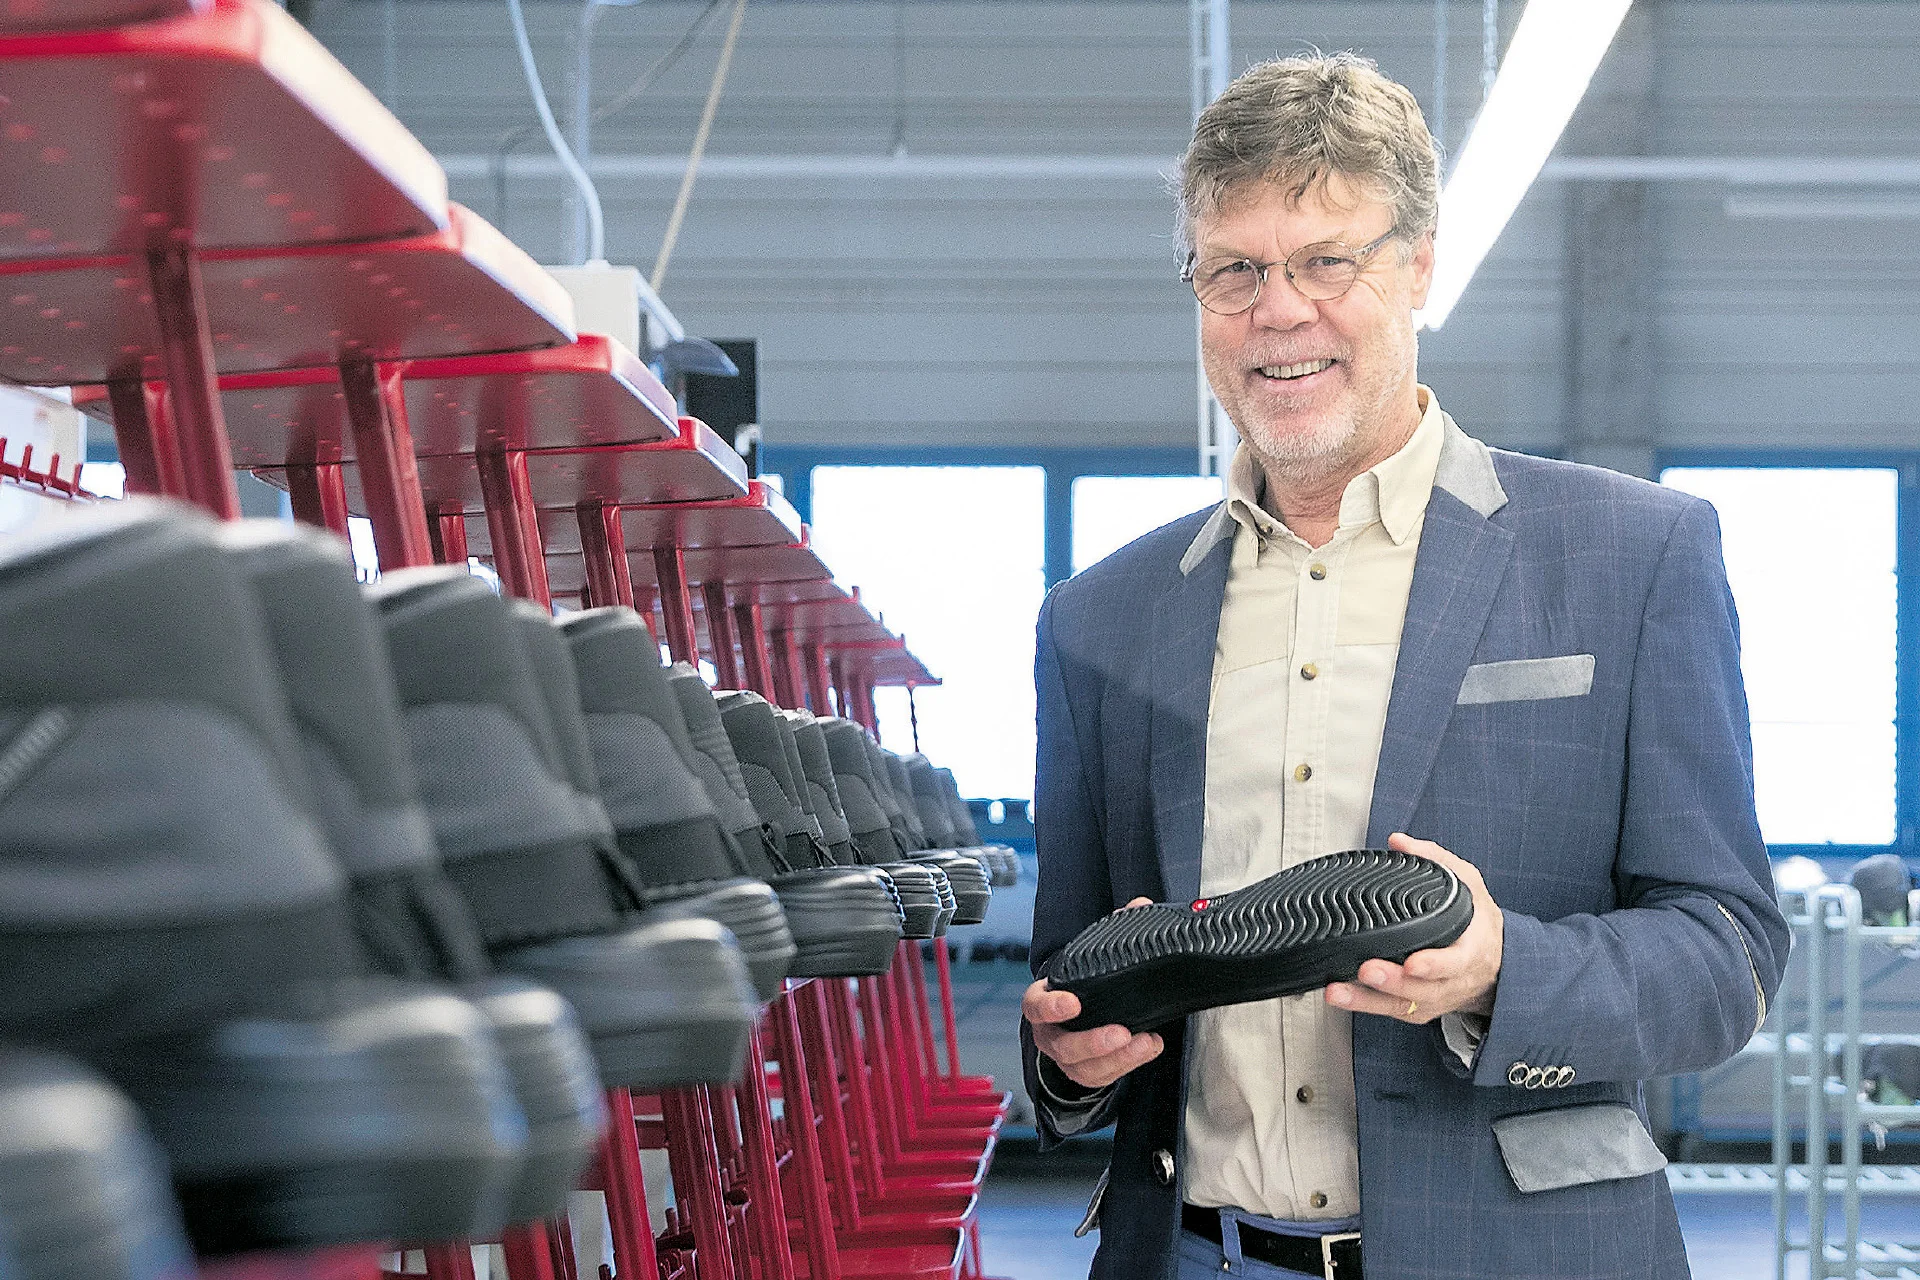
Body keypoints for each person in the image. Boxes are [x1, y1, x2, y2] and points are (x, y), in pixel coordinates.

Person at [1019, 51, 1788, 1280]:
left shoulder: (1633, 555)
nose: (1280, 309)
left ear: (1420, 264)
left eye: (1329, 260)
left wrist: (1503, 970)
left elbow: (1728, 955)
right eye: (1235, 270)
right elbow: (1077, 967)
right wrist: (1066, 1054)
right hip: (1198, 1257)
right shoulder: (1098, 621)